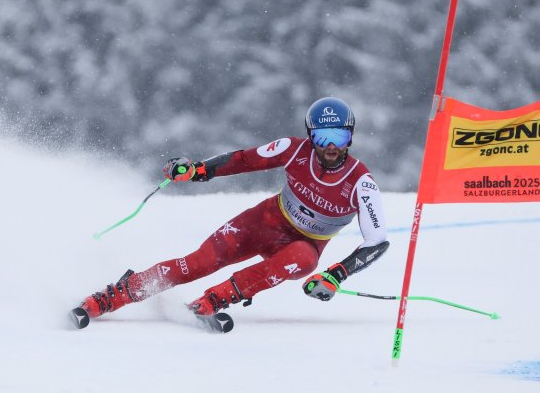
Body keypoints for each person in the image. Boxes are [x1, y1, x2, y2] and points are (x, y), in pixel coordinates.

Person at [78, 97, 390, 319]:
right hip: (265, 222)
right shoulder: (294, 149)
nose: (331, 146)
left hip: (303, 245)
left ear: (351, 136)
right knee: (198, 262)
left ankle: (216, 299)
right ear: (311, 136)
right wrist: (198, 170)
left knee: (303, 260)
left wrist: (337, 274)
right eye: (323, 137)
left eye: (340, 136)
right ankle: (118, 293)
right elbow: (244, 159)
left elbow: (377, 241)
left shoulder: (362, 183)